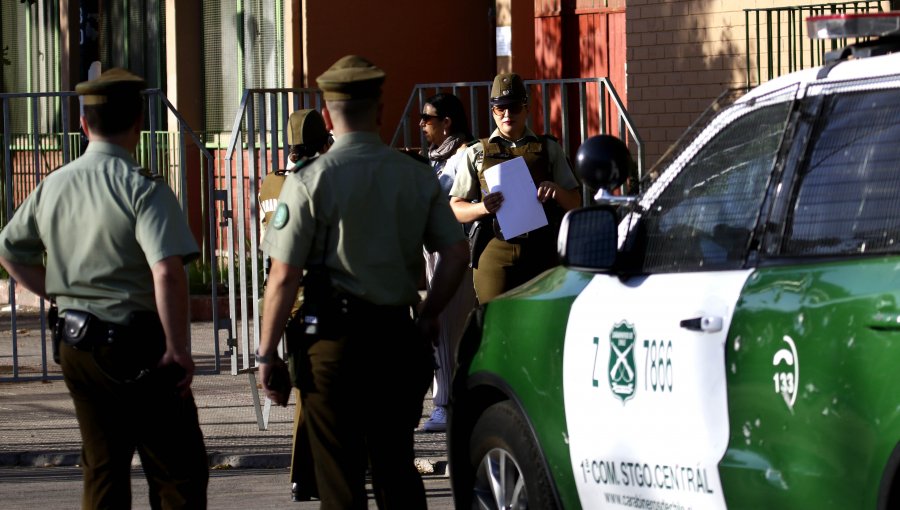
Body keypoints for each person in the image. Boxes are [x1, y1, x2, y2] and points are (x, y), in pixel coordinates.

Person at [256, 55, 469, 509]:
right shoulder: (413, 176)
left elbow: (283, 276)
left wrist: (266, 354)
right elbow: (454, 252)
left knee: (340, 482)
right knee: (396, 471)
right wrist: (430, 315)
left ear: (329, 117)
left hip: (330, 347)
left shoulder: (309, 181)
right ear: (380, 111)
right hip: (395, 338)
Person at [0, 68, 208, 509]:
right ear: (138, 121)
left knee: (103, 467)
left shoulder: (52, 185)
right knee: (177, 470)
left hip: (77, 345)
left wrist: (59, 293)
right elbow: (167, 271)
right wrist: (177, 349)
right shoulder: (143, 188)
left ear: (82, 124)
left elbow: (10, 251)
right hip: (138, 346)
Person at [449, 72, 581, 303]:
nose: (507, 114)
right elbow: (455, 208)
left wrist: (556, 191)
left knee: (540, 322)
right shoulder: (476, 152)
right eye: (500, 109)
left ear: (527, 109)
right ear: (493, 112)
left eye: (514, 107)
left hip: (541, 251)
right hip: (494, 252)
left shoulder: (548, 148)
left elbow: (575, 202)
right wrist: (483, 207)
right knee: (494, 322)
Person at [258, 108, 332, 502]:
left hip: (282, 297)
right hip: (311, 294)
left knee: (308, 386)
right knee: (311, 392)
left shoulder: (271, 182)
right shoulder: (315, 181)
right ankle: (305, 473)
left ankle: (308, 472)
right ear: (323, 145)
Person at [418, 93, 477, 433]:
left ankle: (443, 406)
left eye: (427, 119)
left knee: (443, 326)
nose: (422, 125)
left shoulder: (465, 155)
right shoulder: (436, 160)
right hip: (435, 251)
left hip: (456, 250)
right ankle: (449, 402)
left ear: (447, 122)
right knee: (445, 328)